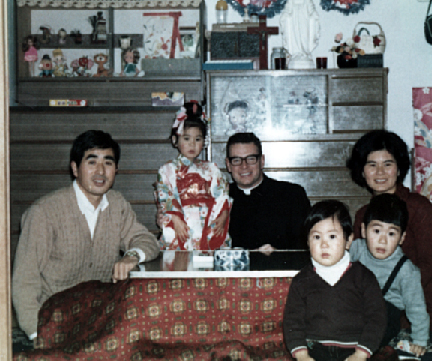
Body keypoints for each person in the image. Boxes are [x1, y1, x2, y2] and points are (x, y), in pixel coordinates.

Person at [12, 130, 160, 340]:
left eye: (108, 163)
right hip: (55, 318)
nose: (100, 171)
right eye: (92, 162)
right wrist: (37, 334)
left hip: (99, 315)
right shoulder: (43, 212)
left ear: (116, 169)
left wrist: (132, 256)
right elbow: (24, 281)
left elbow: (147, 241)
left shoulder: (117, 204)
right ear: (75, 168)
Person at [283, 200, 386, 361]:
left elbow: (377, 318)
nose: (323, 244)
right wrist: (302, 355)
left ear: (348, 240)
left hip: (352, 352)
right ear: (307, 241)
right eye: (316, 237)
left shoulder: (363, 277)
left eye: (332, 236)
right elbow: (292, 320)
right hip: (316, 352)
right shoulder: (302, 279)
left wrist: (361, 354)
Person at [346, 129, 432, 331]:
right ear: (362, 171)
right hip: (373, 300)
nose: (380, 172)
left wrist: (388, 294)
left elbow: (430, 263)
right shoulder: (363, 214)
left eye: (387, 164)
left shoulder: (419, 207)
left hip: (411, 303)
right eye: (372, 165)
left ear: (399, 169)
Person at [349, 194, 429, 357]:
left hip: (384, 313)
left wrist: (420, 341)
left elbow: (417, 308)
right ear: (363, 231)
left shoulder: (406, 270)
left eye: (391, 234)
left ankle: (360, 346)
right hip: (356, 305)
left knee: (379, 330)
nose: (383, 241)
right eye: (376, 231)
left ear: (402, 238)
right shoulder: (356, 248)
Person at [156, 101, 231, 250]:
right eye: (186, 138)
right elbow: (166, 196)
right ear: (175, 140)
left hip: (207, 219)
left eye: (197, 139)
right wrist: (176, 219)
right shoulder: (167, 170)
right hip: (180, 219)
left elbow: (222, 195)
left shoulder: (211, 168)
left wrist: (222, 216)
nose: (192, 144)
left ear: (204, 142)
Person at [226, 132, 311, 252]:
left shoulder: (291, 195)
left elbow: (304, 247)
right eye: (236, 160)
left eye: (251, 159)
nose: (244, 166)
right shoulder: (218, 199)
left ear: (262, 161)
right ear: (228, 165)